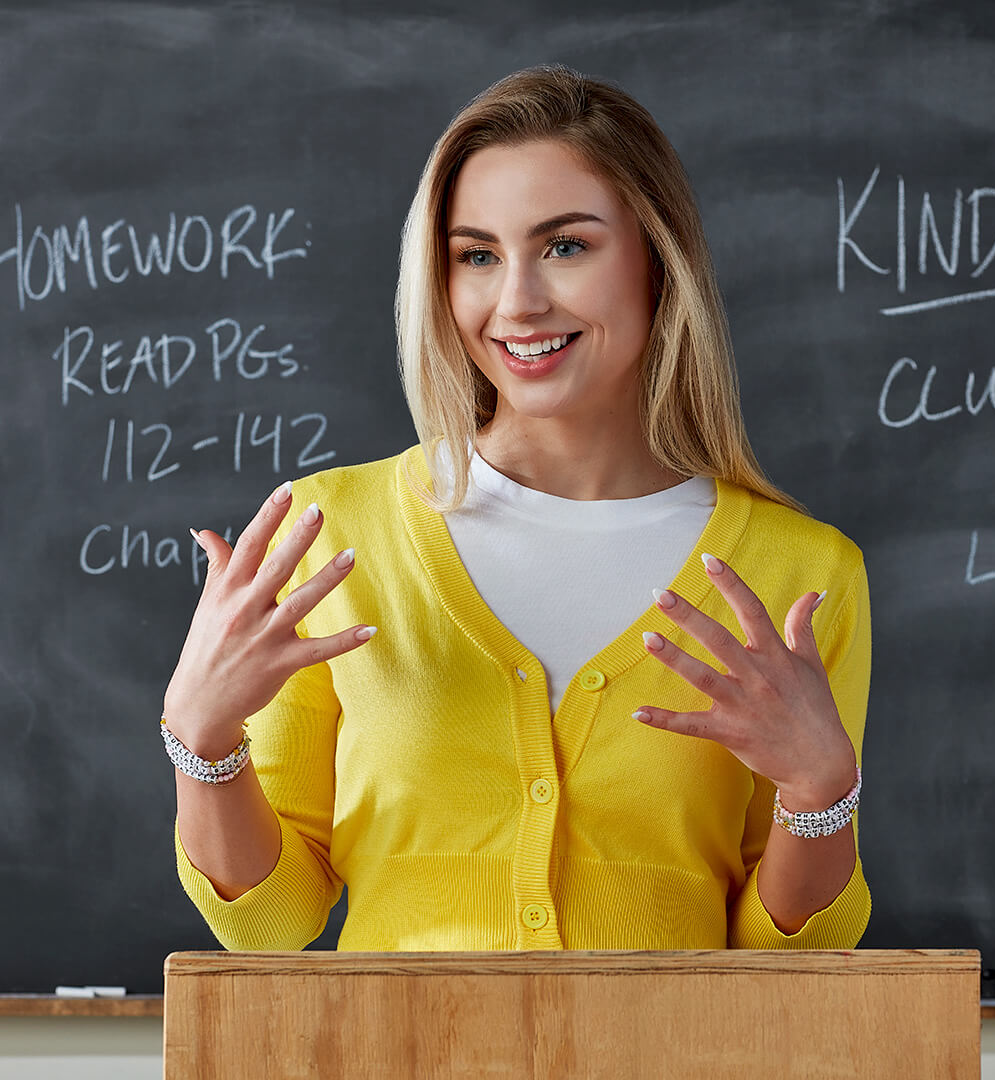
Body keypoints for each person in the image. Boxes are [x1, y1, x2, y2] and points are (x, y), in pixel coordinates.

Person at [165, 65, 871, 952]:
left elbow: (791, 959)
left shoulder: (803, 573)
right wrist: (203, 737)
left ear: (658, 257)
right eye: (477, 256)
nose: (517, 302)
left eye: (566, 246)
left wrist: (819, 794)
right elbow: (270, 924)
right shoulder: (331, 532)